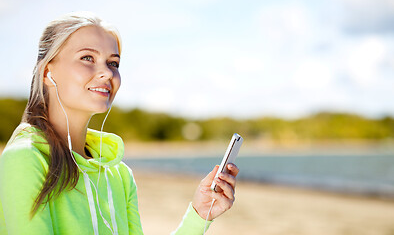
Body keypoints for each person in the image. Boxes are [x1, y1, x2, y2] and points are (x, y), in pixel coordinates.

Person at [0, 12, 239, 235]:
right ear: (47, 72)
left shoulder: (119, 174)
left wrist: (199, 214)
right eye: (87, 58)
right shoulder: (26, 158)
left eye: (113, 63)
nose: (106, 72)